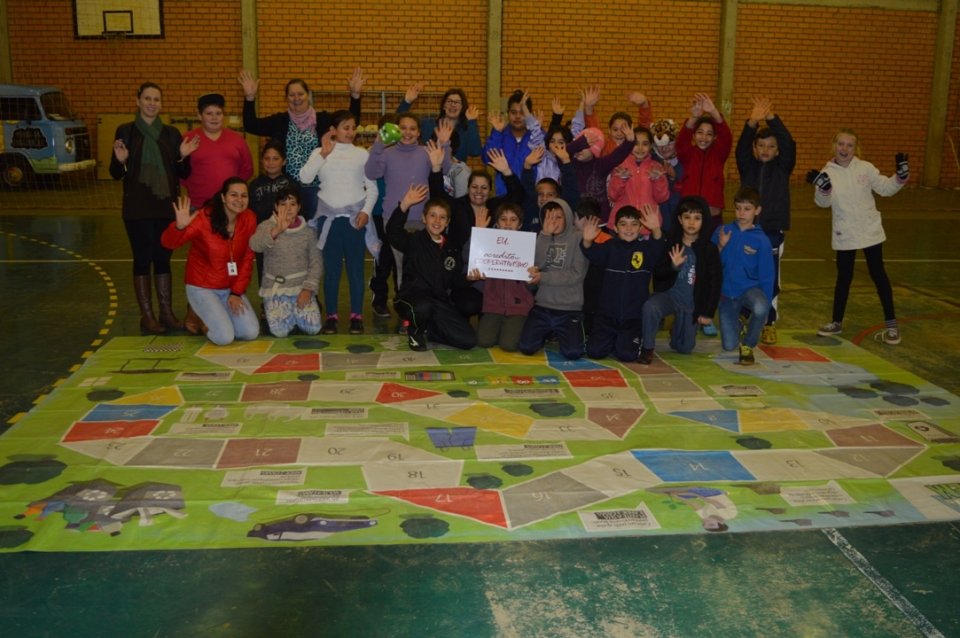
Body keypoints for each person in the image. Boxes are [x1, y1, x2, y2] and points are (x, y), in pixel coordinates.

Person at [110, 81, 198, 334]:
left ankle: (166, 313)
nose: (151, 103)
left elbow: (183, 173)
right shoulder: (125, 131)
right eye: (147, 98)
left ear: (161, 103)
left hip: (165, 207)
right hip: (137, 208)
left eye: (156, 99)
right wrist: (121, 161)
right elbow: (115, 173)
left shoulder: (171, 134)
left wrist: (182, 156)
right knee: (142, 258)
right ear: (138, 101)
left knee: (162, 258)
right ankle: (147, 316)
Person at [810, 129, 909, 345]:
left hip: (870, 231)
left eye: (850, 145)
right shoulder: (827, 173)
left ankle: (892, 325)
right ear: (834, 146)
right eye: (841, 144)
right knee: (844, 278)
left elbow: (886, 188)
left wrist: (900, 177)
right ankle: (836, 322)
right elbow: (822, 203)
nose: (844, 149)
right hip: (845, 232)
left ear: (856, 148)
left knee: (879, 275)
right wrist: (824, 189)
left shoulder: (866, 168)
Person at [238, 68, 365, 220]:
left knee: (314, 227)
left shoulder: (323, 120)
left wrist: (355, 96)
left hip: (316, 188)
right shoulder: (279, 121)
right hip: (287, 188)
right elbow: (251, 125)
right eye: (292, 95)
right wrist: (250, 98)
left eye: (300, 94)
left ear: (308, 96)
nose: (296, 98)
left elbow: (351, 120)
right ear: (286, 98)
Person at [300, 110, 379, 335]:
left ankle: (356, 316)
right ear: (333, 130)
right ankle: (331, 316)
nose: (350, 132)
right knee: (331, 270)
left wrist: (365, 212)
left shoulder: (362, 155)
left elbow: (372, 189)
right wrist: (323, 154)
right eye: (345, 127)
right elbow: (305, 178)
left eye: (353, 127)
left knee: (356, 270)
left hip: (354, 222)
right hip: (329, 222)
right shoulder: (320, 152)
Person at [161, 177, 260, 346]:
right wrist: (179, 227)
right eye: (233, 195)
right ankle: (199, 316)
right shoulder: (203, 218)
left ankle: (217, 313)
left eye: (244, 196)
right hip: (202, 287)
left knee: (249, 332)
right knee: (224, 338)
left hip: (230, 288)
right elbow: (168, 243)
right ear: (223, 197)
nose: (239, 200)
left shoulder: (249, 218)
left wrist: (236, 293)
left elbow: (248, 257)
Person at [365, 113, 451, 295]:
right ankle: (404, 303)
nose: (408, 132)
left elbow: (445, 169)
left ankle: (423, 302)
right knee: (400, 267)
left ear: (419, 132)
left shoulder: (425, 152)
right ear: (397, 130)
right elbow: (372, 173)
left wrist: (444, 144)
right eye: (403, 128)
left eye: (412, 129)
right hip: (394, 219)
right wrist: (378, 145)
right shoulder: (387, 153)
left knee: (422, 264)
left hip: (423, 219)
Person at [735, 97, 796, 345]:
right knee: (745, 274)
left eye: (771, 146)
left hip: (771, 231)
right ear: (755, 148)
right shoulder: (747, 166)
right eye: (761, 145)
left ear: (777, 150)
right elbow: (741, 148)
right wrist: (752, 121)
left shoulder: (783, 167)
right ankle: (744, 314)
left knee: (768, 279)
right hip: (746, 231)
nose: (765, 150)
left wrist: (771, 118)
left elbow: (789, 143)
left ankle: (768, 322)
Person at [386, 185, 477, 352]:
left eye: (442, 217)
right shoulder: (414, 240)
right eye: (432, 215)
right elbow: (392, 232)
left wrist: (468, 278)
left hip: (438, 302)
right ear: (424, 218)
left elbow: (453, 281)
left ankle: (430, 330)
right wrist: (404, 205)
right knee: (423, 307)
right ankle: (415, 331)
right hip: (410, 299)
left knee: (468, 340)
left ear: (447, 222)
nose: (437, 221)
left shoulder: (451, 248)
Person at [640, 196, 721, 364]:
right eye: (687, 217)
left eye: (697, 218)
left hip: (691, 304)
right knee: (650, 306)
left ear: (703, 221)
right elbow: (658, 273)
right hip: (669, 296)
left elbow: (715, 283)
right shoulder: (671, 243)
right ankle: (647, 347)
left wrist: (707, 312)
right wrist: (673, 267)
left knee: (684, 348)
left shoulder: (709, 249)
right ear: (679, 219)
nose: (691, 222)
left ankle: (677, 330)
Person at [580, 205, 665, 362]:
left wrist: (656, 230)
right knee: (594, 352)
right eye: (623, 224)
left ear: (641, 227)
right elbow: (591, 251)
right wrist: (586, 241)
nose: (629, 228)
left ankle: (623, 341)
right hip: (606, 316)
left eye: (634, 224)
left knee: (626, 355)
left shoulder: (646, 250)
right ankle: (612, 340)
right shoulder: (609, 247)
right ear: (615, 227)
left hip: (633, 318)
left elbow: (658, 247)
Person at [517, 198, 588, 360]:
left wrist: (543, 277)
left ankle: (557, 333)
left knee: (573, 353)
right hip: (542, 306)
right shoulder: (541, 237)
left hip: (569, 308)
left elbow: (576, 274)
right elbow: (537, 265)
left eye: (558, 217)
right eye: (549, 217)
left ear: (568, 217)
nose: (553, 221)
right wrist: (545, 236)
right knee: (526, 347)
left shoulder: (578, 238)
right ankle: (549, 333)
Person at [248, 184, 322, 337]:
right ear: (276, 206)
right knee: (280, 332)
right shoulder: (266, 226)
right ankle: (282, 312)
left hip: (301, 288)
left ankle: (294, 314)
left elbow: (316, 263)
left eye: (292, 204)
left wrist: (308, 290)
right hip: (276, 289)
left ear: (299, 207)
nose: (288, 208)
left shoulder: (308, 231)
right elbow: (254, 245)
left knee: (313, 328)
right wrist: (277, 230)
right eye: (283, 204)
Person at [711, 187, 774, 365]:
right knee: (729, 345)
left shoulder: (762, 240)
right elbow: (710, 263)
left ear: (757, 210)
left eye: (747, 209)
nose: (741, 213)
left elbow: (767, 275)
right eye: (738, 208)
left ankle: (748, 344)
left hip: (749, 290)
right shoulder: (723, 231)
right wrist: (720, 247)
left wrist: (766, 306)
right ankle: (738, 323)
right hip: (727, 294)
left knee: (760, 308)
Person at [468, 203, 535, 352]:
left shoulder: (528, 246)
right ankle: (502, 328)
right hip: (493, 305)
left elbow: (535, 284)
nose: (508, 224)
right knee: (484, 341)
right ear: (497, 223)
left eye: (513, 220)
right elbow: (468, 256)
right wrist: (478, 232)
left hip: (519, 307)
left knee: (508, 345)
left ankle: (518, 327)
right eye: (503, 219)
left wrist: (532, 277)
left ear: (520, 225)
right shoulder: (487, 241)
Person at [180, 93, 253, 209]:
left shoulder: (237, 140)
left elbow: (247, 170)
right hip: (197, 205)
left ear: (223, 115)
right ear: (199, 116)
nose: (214, 118)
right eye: (209, 113)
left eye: (218, 113)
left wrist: (233, 192)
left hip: (230, 207)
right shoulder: (187, 139)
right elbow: (179, 173)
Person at [676, 93, 732, 228]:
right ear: (694, 135)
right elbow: (681, 142)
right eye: (700, 132)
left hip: (712, 217)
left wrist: (714, 112)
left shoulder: (719, 155)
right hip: (689, 216)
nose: (704, 138)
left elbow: (727, 138)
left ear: (714, 138)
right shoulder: (687, 154)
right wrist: (694, 117)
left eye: (709, 134)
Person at [249, 140, 296, 289]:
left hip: (287, 235)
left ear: (284, 161)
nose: (271, 162)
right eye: (267, 158)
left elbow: (299, 210)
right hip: (264, 235)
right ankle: (267, 300)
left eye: (275, 158)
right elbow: (250, 211)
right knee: (265, 270)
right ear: (262, 161)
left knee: (288, 271)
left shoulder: (291, 183)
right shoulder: (254, 185)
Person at [396, 83, 482, 161]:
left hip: (454, 172)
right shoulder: (427, 124)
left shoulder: (466, 130)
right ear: (443, 105)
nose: (453, 105)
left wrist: (471, 122)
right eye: (449, 101)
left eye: (457, 102)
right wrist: (407, 102)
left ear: (463, 107)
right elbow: (397, 126)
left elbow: (475, 152)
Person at [607, 126, 670, 229]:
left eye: (645, 144)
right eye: (636, 143)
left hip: (648, 225)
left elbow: (662, 198)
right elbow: (613, 196)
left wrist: (657, 180)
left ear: (651, 146)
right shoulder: (620, 165)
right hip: (622, 224)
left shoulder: (657, 167)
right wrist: (621, 178)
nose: (640, 148)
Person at [482, 90, 534, 195]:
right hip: (505, 195)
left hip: (531, 196)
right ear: (507, 113)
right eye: (513, 112)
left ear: (529, 114)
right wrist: (497, 132)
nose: (518, 116)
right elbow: (487, 158)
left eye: (522, 112)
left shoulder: (536, 136)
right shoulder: (500, 135)